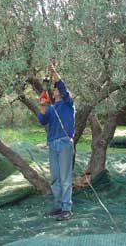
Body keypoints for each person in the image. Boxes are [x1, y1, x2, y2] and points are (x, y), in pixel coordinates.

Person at [38, 62, 76, 221]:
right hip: (53, 144)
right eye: (54, 89)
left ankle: (67, 209)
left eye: (56, 88)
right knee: (55, 178)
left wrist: (54, 72)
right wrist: (42, 106)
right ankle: (58, 205)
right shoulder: (52, 109)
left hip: (65, 143)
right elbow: (42, 120)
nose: (55, 90)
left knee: (65, 178)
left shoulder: (68, 104)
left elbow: (63, 88)